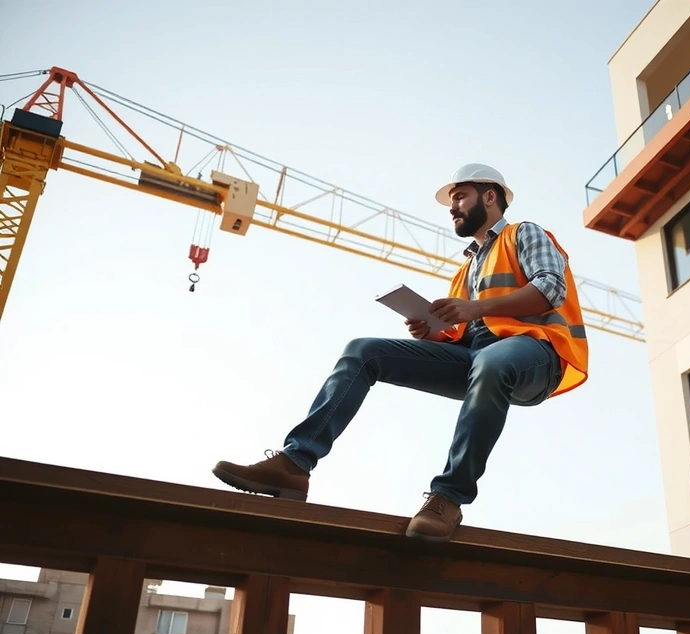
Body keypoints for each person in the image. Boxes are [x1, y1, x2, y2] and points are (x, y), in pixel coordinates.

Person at [211, 163, 590, 542]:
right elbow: (466, 338)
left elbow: (551, 288)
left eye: (460, 196)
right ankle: (294, 464)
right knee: (364, 351)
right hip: (479, 358)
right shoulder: (467, 269)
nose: (452, 207)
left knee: (491, 363)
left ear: (490, 196)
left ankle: (448, 498)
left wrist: (474, 309)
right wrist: (432, 333)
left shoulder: (524, 233)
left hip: (537, 354)